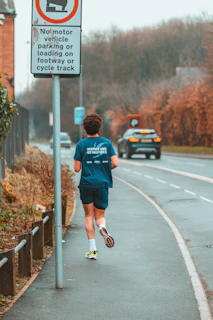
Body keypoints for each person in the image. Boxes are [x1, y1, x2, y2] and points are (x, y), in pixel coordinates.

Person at [73, 113, 119, 260]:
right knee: (100, 216)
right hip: (102, 183)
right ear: (99, 127)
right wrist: (105, 168)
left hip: (86, 184)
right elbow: (115, 163)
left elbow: (76, 168)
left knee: (88, 216)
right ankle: (102, 227)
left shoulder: (81, 145)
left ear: (85, 128)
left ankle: (93, 251)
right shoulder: (107, 143)